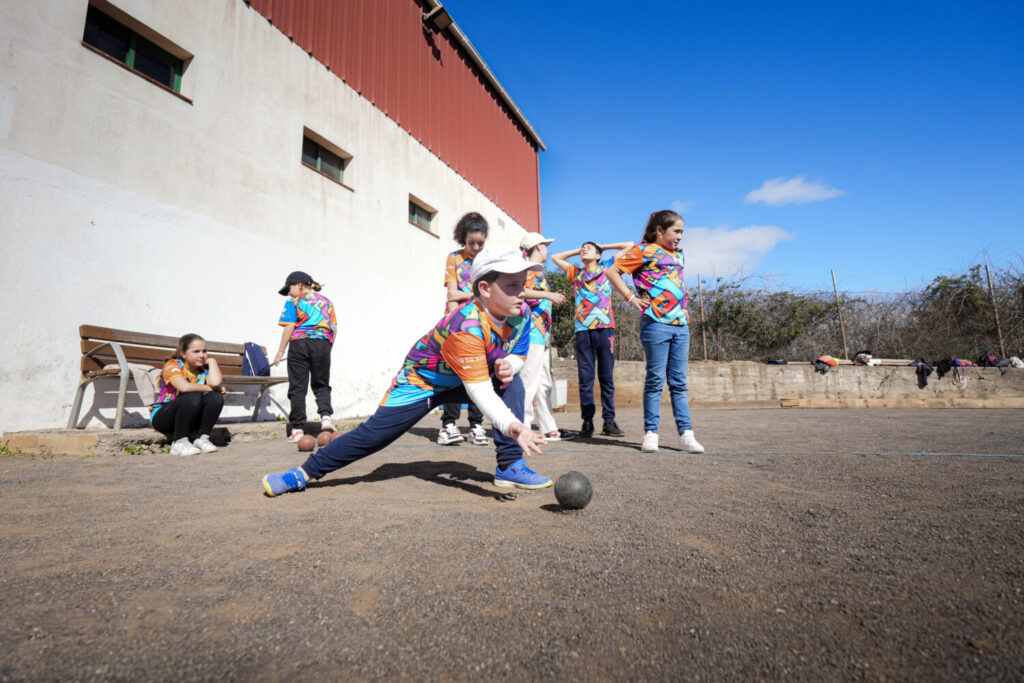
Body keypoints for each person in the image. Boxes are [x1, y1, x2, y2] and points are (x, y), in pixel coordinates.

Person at [262, 249, 551, 497]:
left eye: (523, 284)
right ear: (485, 289)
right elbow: (479, 392)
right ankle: (302, 473)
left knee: (510, 384)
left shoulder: (522, 312)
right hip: (421, 382)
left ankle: (509, 467)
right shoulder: (466, 326)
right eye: (512, 285)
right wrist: (512, 425)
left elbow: (519, 353)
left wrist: (509, 365)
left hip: (462, 378)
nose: (522, 292)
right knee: (372, 437)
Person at [606, 209, 704, 453]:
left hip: (681, 324)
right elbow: (611, 272)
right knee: (655, 379)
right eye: (676, 231)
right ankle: (651, 433)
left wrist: (680, 295)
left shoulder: (679, 255)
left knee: (679, 382)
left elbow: (669, 280)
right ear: (660, 230)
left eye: (682, 232)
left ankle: (686, 435)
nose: (680, 237)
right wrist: (630, 297)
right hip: (655, 323)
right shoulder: (643, 250)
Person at [551, 241, 634, 438]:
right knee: (585, 379)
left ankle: (609, 421)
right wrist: (580, 250)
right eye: (582, 248)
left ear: (598, 255)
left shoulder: (607, 268)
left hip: (605, 329)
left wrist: (602, 247)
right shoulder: (576, 272)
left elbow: (629, 246)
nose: (583, 249)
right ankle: (587, 422)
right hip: (583, 330)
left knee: (606, 377)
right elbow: (556, 258)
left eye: (588, 248)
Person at [439, 212, 489, 446]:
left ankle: (476, 425)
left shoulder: (488, 260)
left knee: (478, 374)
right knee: (454, 374)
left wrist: (465, 294)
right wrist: (452, 321)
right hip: (458, 323)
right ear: (463, 238)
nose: (476, 247)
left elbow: (490, 295)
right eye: (472, 243)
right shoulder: (454, 259)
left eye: (481, 242)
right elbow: (451, 294)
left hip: (483, 324)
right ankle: (448, 424)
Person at [272, 271, 337, 443]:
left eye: (289, 288)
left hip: (300, 344)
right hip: (322, 343)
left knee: (298, 386)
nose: (288, 292)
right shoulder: (327, 302)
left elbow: (289, 326)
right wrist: (327, 347)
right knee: (321, 383)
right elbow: (333, 328)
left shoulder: (294, 301)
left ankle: (298, 430)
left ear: (299, 285)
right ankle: (326, 417)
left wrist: (280, 351)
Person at [519, 232, 569, 441]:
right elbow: (521, 292)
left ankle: (548, 427)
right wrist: (548, 295)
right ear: (538, 247)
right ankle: (522, 426)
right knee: (529, 382)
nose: (548, 250)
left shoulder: (538, 273)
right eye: (545, 246)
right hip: (531, 335)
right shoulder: (527, 270)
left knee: (542, 383)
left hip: (541, 336)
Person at [150, 333, 226, 456]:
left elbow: (216, 382)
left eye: (204, 351)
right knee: (193, 395)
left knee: (216, 397)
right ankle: (179, 442)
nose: (202, 355)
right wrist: (212, 388)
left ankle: (202, 438)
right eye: (196, 351)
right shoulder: (172, 365)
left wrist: (212, 361)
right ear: (183, 353)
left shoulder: (203, 370)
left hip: (189, 418)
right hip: (163, 417)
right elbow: (184, 387)